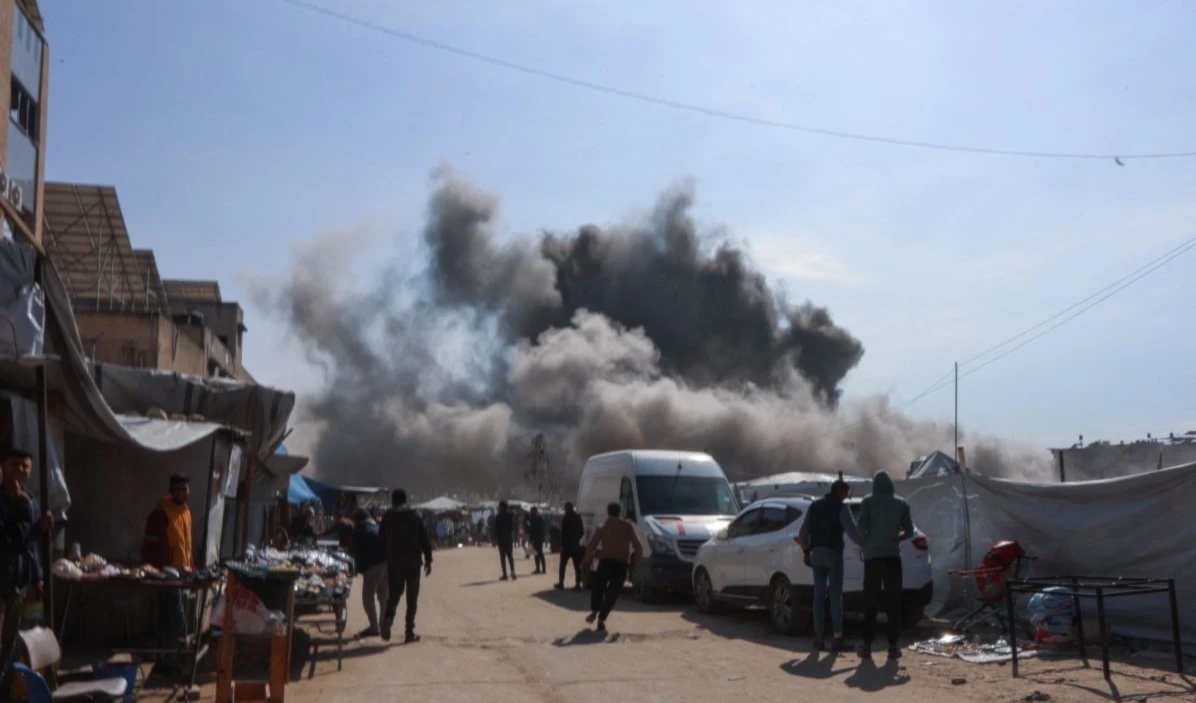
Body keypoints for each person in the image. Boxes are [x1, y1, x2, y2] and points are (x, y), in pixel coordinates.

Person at [0, 448, 53, 695]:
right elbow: (10, 539)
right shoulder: (5, 501)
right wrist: (36, 529)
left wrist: (36, 576)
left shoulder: (29, 500)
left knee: (9, 643)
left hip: (17, 584)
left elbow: (28, 547)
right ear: (3, 467)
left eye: (25, 466)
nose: (20, 470)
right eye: (14, 465)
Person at [855, 470, 916, 661]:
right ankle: (893, 646)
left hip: (873, 558)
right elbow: (910, 532)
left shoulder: (867, 502)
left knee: (870, 601)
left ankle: (866, 646)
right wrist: (895, 538)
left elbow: (860, 529)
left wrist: (868, 541)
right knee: (893, 602)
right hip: (892, 557)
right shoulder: (901, 503)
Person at [798, 478, 863, 651]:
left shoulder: (815, 506)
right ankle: (837, 638)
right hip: (834, 555)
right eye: (846, 491)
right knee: (835, 597)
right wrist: (866, 545)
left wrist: (806, 552)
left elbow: (803, 531)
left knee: (818, 597)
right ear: (839, 491)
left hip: (817, 554)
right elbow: (853, 531)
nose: (847, 495)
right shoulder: (841, 508)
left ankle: (818, 639)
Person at [141, 473, 194, 677]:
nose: (182, 492)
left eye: (185, 489)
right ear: (171, 491)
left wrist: (192, 567)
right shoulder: (160, 514)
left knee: (166, 618)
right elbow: (149, 547)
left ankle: (162, 660)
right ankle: (168, 661)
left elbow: (187, 544)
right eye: (179, 489)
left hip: (182, 573)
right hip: (166, 574)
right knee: (177, 619)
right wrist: (157, 570)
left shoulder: (186, 511)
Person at [379, 489, 432, 643]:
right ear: (405, 499)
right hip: (413, 562)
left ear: (393, 501)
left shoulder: (387, 516)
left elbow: (381, 540)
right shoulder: (414, 515)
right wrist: (428, 560)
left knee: (394, 593)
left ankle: (388, 617)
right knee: (412, 598)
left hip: (395, 562)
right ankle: (409, 631)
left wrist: (384, 559)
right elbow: (424, 538)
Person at [582, 502, 642, 632]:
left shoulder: (603, 526)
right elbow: (638, 546)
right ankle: (601, 619)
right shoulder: (627, 526)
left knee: (598, 588)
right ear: (619, 512)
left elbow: (591, 545)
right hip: (621, 564)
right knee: (612, 593)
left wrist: (588, 560)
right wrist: (636, 565)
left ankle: (594, 612)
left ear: (608, 512)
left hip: (605, 562)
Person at [351, 508, 388, 637]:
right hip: (386, 563)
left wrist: (354, 569)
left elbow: (354, 551)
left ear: (357, 520)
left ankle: (374, 627)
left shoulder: (360, 529)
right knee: (383, 596)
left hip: (373, 566)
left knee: (368, 597)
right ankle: (383, 623)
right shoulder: (377, 526)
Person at [555, 502, 585, 591]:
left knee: (562, 565)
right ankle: (578, 584)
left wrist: (562, 545)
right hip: (576, 545)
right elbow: (582, 531)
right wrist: (576, 540)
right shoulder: (578, 517)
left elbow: (563, 533)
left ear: (567, 508)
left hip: (567, 546)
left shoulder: (566, 518)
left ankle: (561, 583)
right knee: (577, 566)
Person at [494, 501, 516, 580]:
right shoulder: (502, 516)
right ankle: (507, 574)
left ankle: (510, 573)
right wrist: (495, 538)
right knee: (505, 557)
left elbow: (512, 527)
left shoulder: (505, 516)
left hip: (506, 538)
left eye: (501, 506)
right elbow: (496, 528)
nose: (500, 508)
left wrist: (496, 538)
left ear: (504, 507)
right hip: (504, 538)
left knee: (507, 557)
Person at [527, 507, 547, 574]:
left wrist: (539, 538)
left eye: (532, 511)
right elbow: (529, 528)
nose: (531, 512)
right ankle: (538, 569)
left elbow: (541, 530)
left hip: (538, 538)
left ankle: (543, 569)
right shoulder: (531, 519)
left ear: (535, 511)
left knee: (540, 553)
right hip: (533, 538)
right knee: (536, 554)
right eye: (531, 511)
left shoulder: (538, 519)